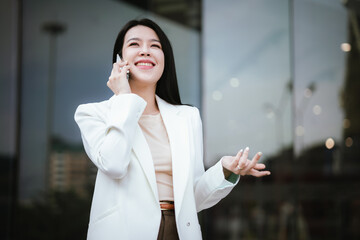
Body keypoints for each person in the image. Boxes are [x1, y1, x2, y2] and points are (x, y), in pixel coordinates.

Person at [74, 18, 270, 240]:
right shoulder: (94, 114)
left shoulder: (187, 117)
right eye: (135, 44)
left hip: (178, 231)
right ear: (119, 60)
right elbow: (114, 164)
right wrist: (124, 99)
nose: (146, 51)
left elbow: (193, 198)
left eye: (155, 46)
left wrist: (224, 169)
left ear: (165, 59)